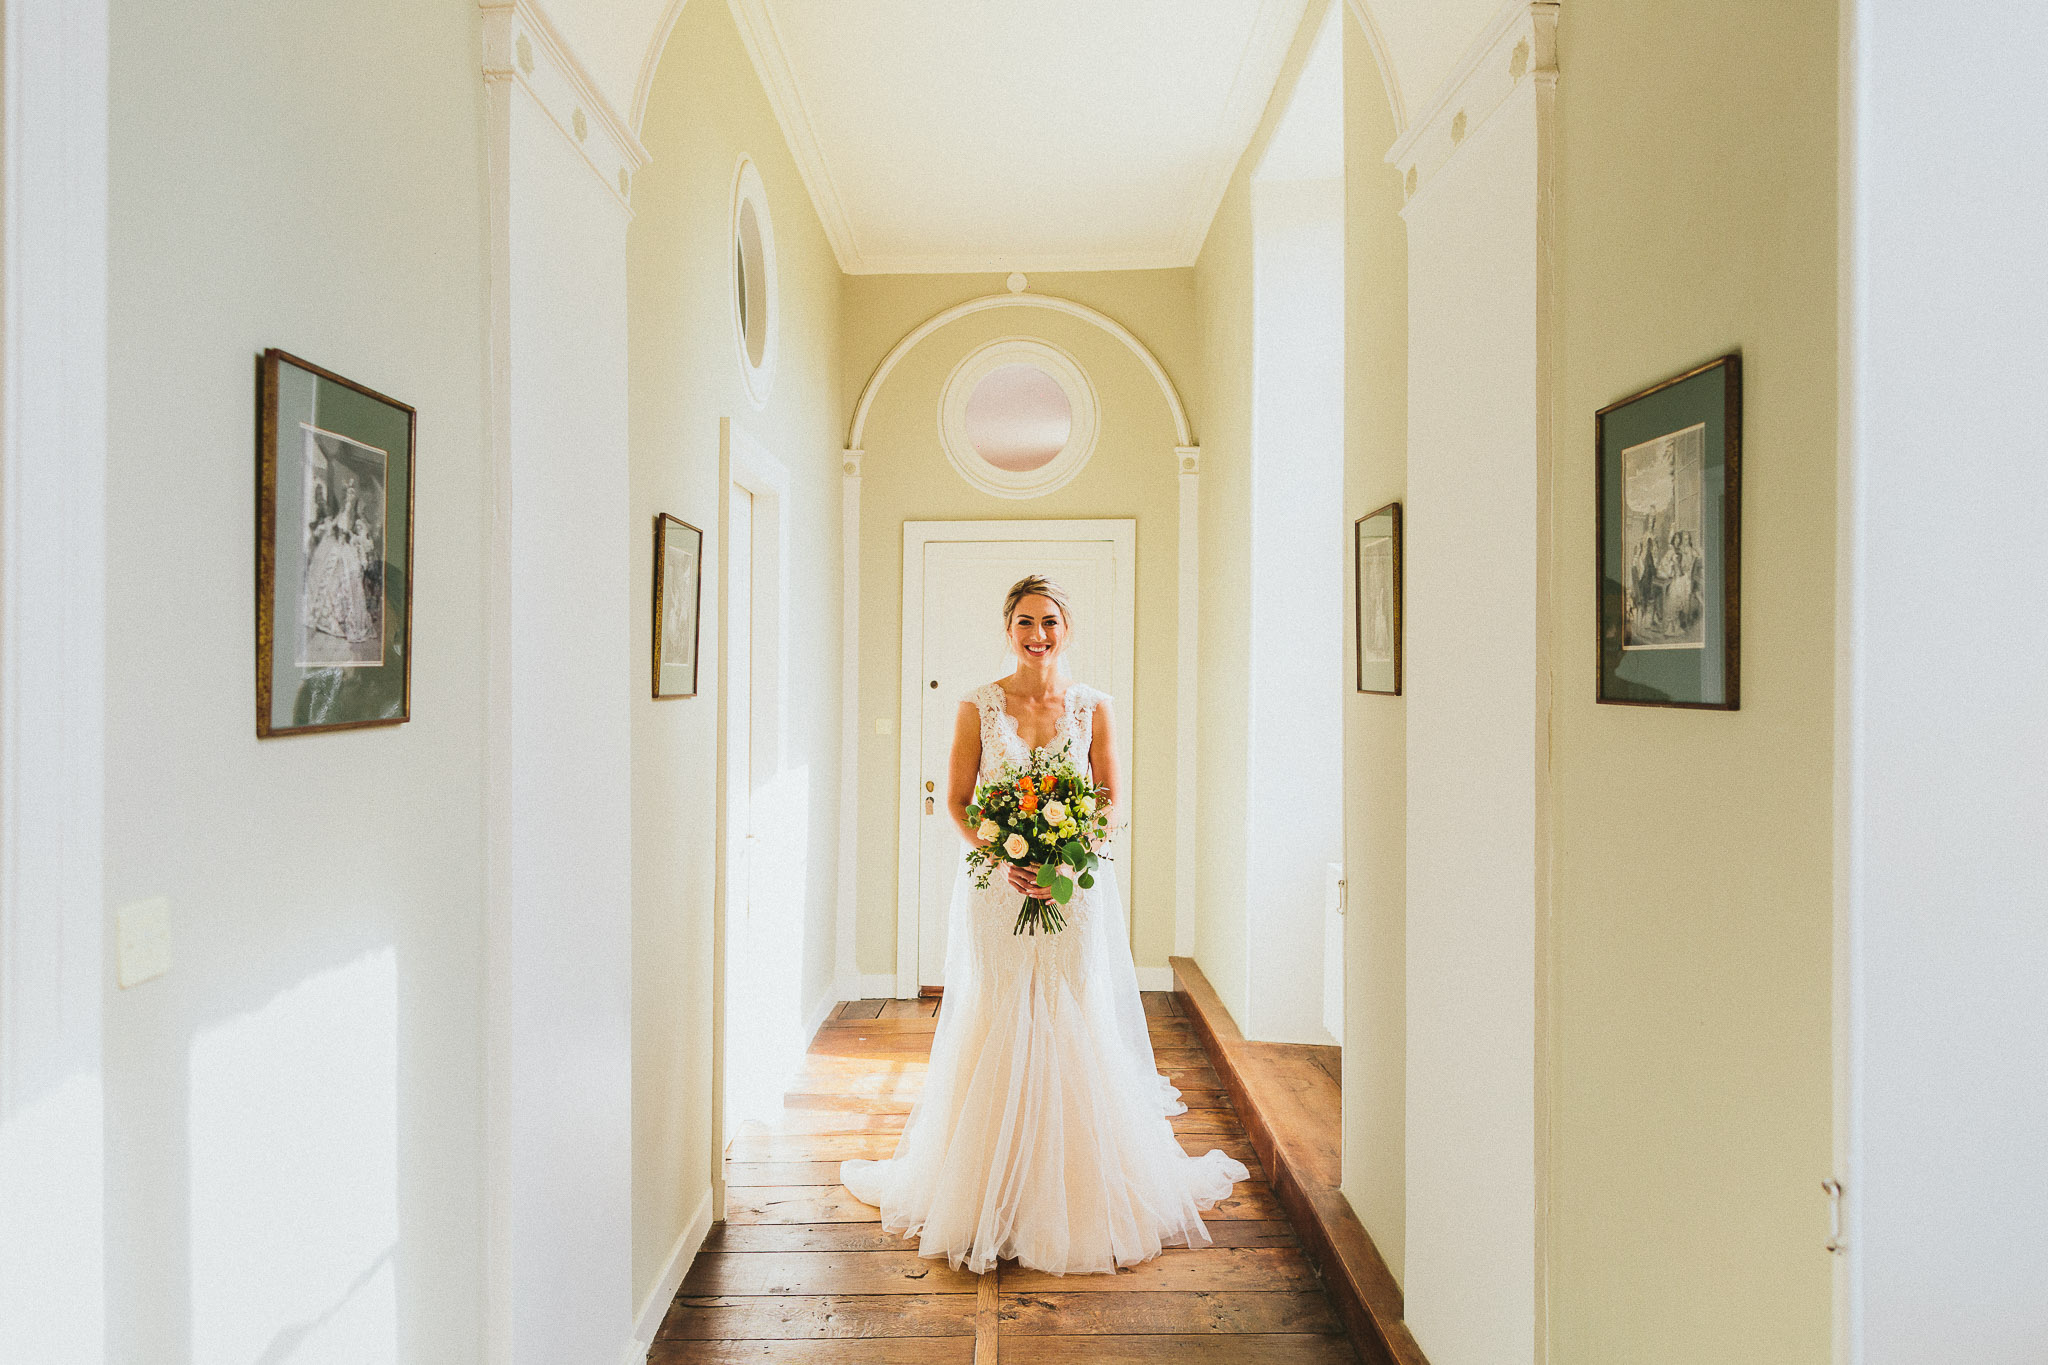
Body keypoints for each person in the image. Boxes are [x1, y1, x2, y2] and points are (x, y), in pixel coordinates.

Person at [840, 574, 1247, 1274]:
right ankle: (985, 1185)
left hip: (1072, 890)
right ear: (1009, 628)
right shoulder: (978, 705)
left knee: (1067, 1010)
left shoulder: (1095, 707)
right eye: (1026, 621)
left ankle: (1075, 1189)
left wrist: (1068, 851)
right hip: (999, 892)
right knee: (1000, 1009)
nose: (1039, 633)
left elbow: (1112, 797)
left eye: (1051, 620)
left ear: (1067, 627)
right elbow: (960, 802)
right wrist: (1006, 855)